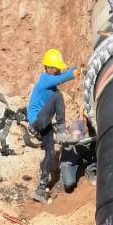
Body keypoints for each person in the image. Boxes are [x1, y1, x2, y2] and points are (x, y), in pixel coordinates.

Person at [27, 48, 76, 203]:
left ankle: (41, 189)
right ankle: (61, 129)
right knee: (58, 95)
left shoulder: (50, 83)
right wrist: (75, 72)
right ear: (48, 68)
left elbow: (60, 78)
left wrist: (74, 69)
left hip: (44, 123)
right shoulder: (45, 79)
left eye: (58, 69)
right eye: (56, 68)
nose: (58, 71)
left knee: (49, 153)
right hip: (37, 122)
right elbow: (62, 79)